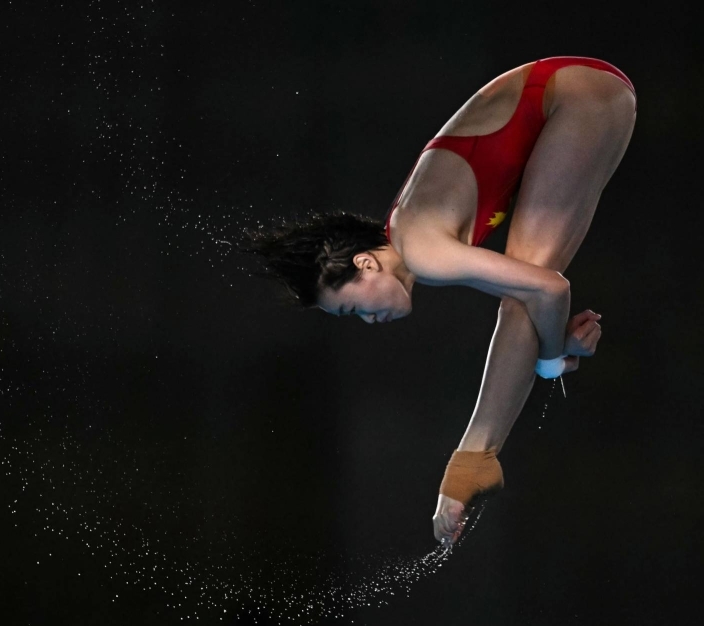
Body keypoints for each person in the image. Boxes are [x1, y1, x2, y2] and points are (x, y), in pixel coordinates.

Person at [244, 56, 636, 546]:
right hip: (581, 92)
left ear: (365, 264)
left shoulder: (423, 252)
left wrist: (554, 356)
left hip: (576, 96)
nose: (368, 320)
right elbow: (544, 289)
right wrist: (553, 348)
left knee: (525, 298)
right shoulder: (408, 232)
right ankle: (474, 457)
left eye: (353, 308)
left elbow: (550, 290)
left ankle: (472, 458)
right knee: (525, 297)